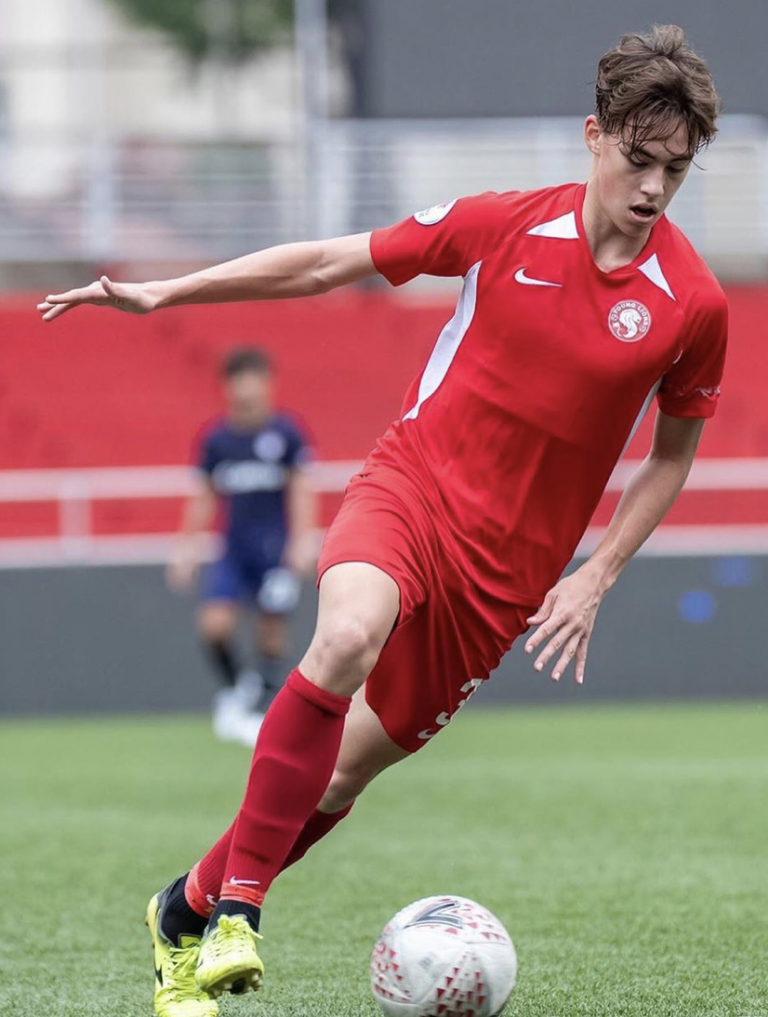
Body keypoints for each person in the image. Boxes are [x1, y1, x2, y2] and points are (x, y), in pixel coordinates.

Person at [38, 24, 727, 1017]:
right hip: (414, 490)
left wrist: (597, 572)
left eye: (675, 167)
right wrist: (171, 291)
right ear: (594, 135)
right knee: (348, 631)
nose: (655, 187)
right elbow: (328, 263)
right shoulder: (500, 225)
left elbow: (672, 456)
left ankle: (182, 912)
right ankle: (239, 914)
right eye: (638, 158)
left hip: (503, 584)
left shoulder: (693, 303)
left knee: (339, 775)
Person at [167, 346, 317, 746]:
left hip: (273, 549)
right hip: (232, 550)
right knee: (214, 625)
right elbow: (204, 495)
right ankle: (238, 692)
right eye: (238, 381)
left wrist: (304, 539)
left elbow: (301, 488)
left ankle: (262, 709)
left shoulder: (286, 433)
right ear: (228, 387)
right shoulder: (217, 439)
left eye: (253, 379)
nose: (246, 389)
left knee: (271, 630)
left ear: (267, 384)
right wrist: (186, 548)